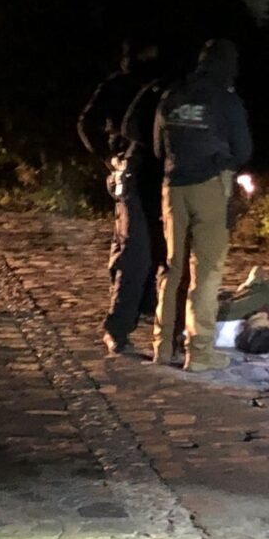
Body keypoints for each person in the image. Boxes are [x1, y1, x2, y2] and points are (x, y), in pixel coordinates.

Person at [152, 38, 252, 371]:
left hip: (172, 188)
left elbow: (157, 147)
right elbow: (244, 150)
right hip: (210, 186)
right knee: (207, 272)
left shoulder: (172, 95)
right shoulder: (226, 99)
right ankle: (199, 352)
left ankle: (162, 346)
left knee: (172, 267)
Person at [77, 37, 161, 355]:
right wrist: (109, 157)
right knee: (134, 252)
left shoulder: (155, 85)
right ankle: (119, 325)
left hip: (147, 173)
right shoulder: (123, 86)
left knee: (133, 247)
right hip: (133, 171)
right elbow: (88, 124)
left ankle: (143, 308)